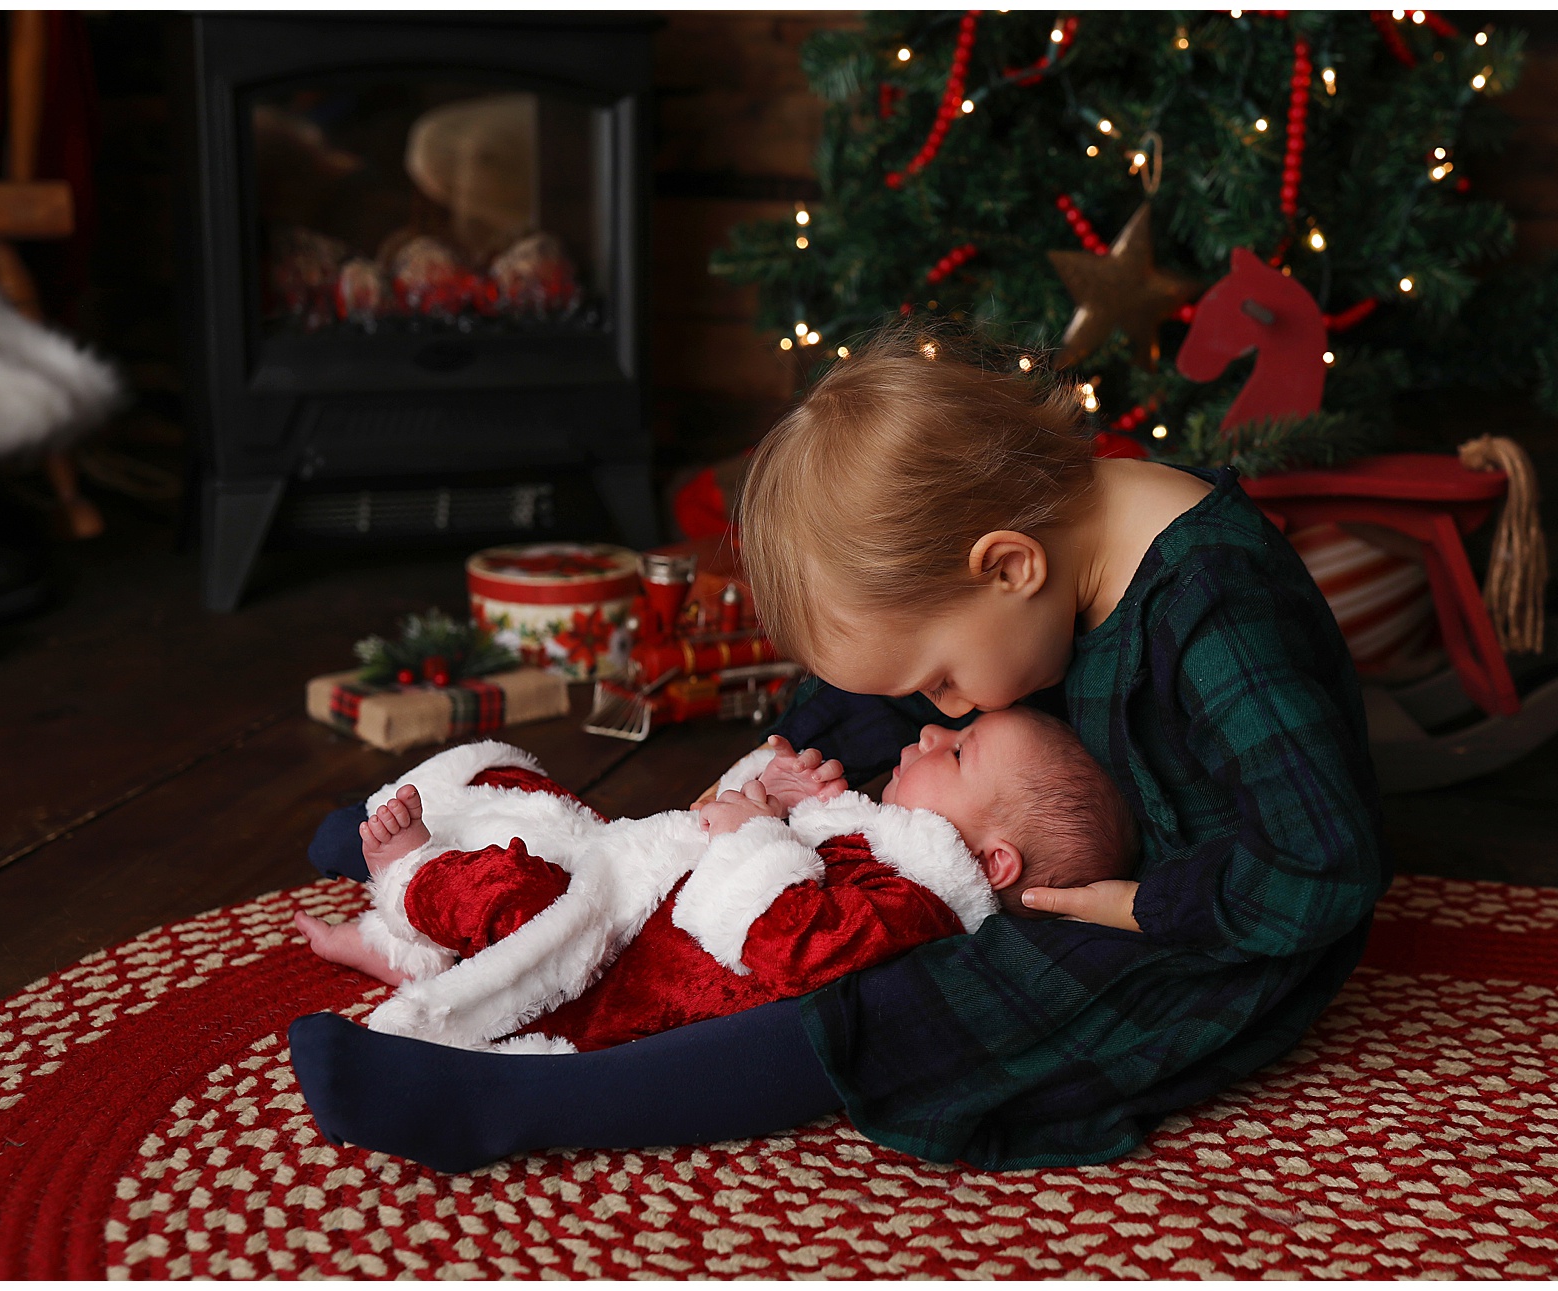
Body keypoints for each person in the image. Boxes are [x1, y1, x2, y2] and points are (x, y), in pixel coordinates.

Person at [290, 320, 1387, 1173]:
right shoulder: (1030, 568)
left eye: (937, 682)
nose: (932, 703)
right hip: (1042, 809)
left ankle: (516, 1104)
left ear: (1010, 566)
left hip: (1204, 918)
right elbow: (882, 704)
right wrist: (767, 771)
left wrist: (1145, 906)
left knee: (888, 983)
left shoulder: (1216, 616)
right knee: (762, 828)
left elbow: (1322, 861)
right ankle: (461, 852)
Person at [296, 707, 1137, 1056]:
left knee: (518, 897)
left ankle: (406, 879)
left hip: (621, 973)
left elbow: (795, 941)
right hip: (643, 880)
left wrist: (758, 832)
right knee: (528, 808)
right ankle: (400, 941)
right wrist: (803, 802)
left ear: (991, 862)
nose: (928, 728)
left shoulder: (920, 904)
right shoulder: (890, 848)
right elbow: (811, 854)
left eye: (956, 751)